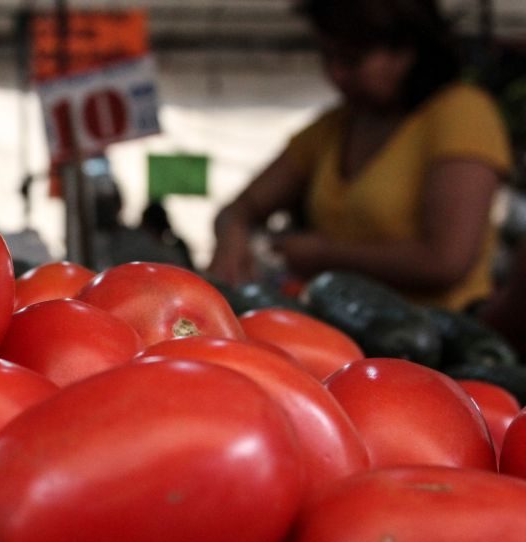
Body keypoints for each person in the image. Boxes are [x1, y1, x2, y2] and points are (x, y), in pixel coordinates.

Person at [207, 0, 511, 311]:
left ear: (405, 53)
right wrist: (232, 235)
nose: (336, 74)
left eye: (351, 60)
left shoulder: (461, 113)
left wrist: (325, 255)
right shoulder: (334, 126)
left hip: (440, 336)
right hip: (343, 328)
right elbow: (240, 208)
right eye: (328, 57)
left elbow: (446, 261)